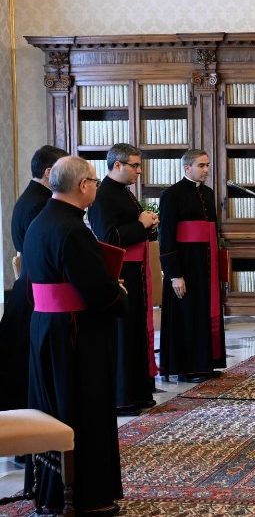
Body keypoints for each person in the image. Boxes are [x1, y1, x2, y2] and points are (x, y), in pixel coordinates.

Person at [24, 156, 128, 515]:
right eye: (96, 182)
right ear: (83, 186)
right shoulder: (73, 230)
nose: (97, 188)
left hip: (46, 329)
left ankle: (50, 492)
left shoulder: (40, 222)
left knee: (52, 408)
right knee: (82, 410)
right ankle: (87, 496)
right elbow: (98, 293)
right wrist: (118, 292)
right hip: (75, 335)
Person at [88, 143, 160, 416]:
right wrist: (141, 224)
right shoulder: (104, 195)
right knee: (123, 334)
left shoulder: (125, 193)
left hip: (136, 270)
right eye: (135, 165)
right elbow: (108, 238)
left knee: (136, 332)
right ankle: (122, 397)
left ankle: (138, 391)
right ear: (117, 165)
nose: (139, 171)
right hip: (121, 273)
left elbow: (132, 229)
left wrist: (149, 226)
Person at [0, 144, 67, 413]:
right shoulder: (41, 204)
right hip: (34, 290)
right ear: (50, 172)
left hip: (29, 285)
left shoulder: (34, 197)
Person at [158, 149, 226, 383]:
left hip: (207, 264)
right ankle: (187, 368)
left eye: (207, 165)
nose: (206, 169)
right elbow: (166, 237)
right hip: (185, 264)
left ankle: (206, 363)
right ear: (187, 168)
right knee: (187, 315)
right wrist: (174, 274)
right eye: (201, 165)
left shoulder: (207, 193)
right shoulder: (171, 194)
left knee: (205, 313)